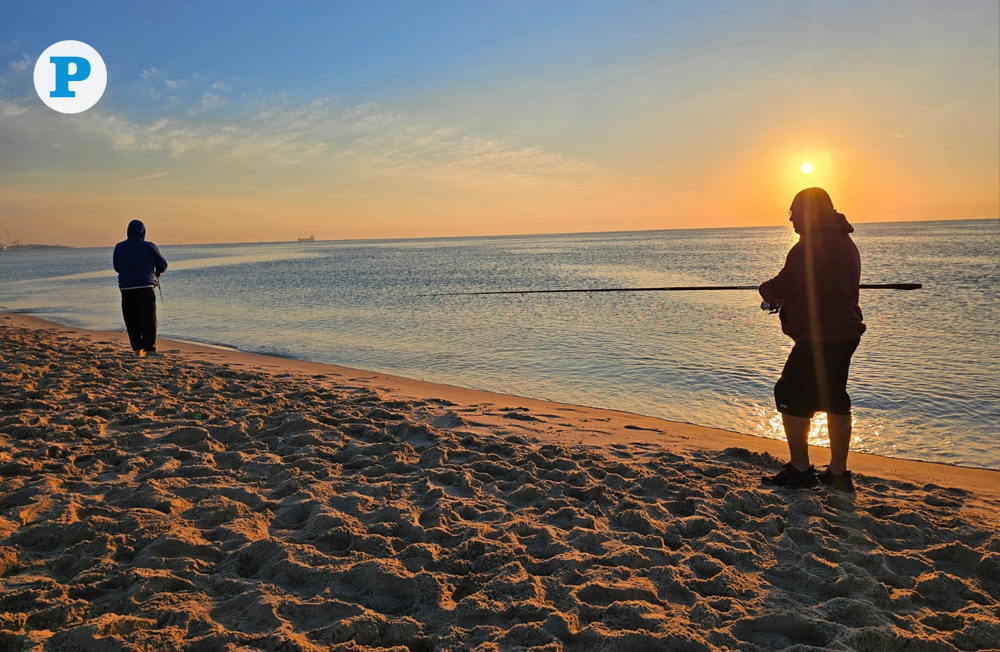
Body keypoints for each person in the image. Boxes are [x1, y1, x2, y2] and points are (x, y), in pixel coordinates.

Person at [759, 188, 865, 492]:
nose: (790, 216)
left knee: (789, 394)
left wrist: (765, 291)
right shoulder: (845, 243)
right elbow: (817, 287)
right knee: (834, 398)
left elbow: (784, 283)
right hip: (846, 333)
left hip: (821, 336)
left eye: (794, 210)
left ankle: (800, 470)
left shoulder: (809, 246)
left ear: (808, 211)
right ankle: (837, 473)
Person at [113, 220, 168, 357]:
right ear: (143, 232)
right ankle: (149, 349)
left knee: (132, 318)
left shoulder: (119, 247)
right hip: (145, 285)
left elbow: (117, 267)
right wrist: (158, 271)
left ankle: (137, 349)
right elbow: (163, 264)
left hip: (126, 287)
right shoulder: (149, 246)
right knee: (148, 318)